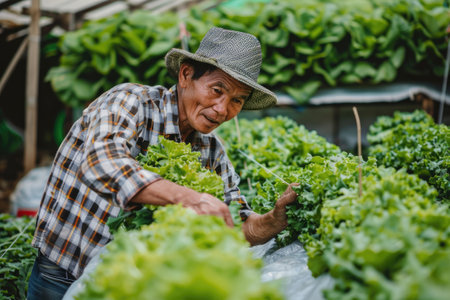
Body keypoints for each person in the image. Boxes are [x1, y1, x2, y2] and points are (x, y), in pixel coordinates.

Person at [27, 27, 298, 299]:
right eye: (217, 90)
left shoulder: (212, 151)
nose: (222, 109)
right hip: (62, 274)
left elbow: (236, 225)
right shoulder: (131, 101)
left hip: (132, 286)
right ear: (185, 75)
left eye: (236, 101)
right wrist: (190, 198)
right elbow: (101, 162)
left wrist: (274, 219)